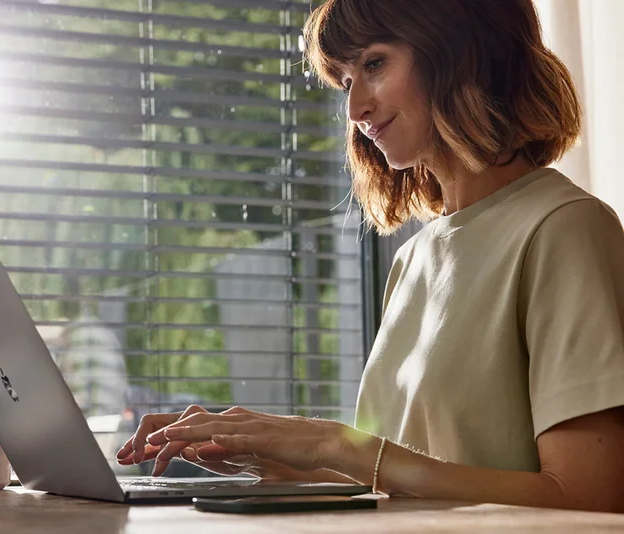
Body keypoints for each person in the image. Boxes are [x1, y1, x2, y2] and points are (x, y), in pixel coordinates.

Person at [115, 0, 624, 512]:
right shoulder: (413, 258)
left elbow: (590, 496)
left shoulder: (564, 228)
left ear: (463, 53)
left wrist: (337, 444)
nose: (355, 108)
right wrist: (257, 447)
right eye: (344, 81)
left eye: (374, 64)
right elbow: (403, 479)